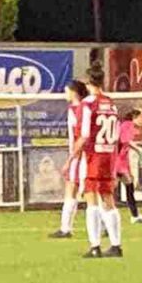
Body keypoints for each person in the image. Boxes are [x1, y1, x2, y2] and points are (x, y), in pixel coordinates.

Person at [77, 64, 123, 259]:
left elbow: (85, 134)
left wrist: (72, 156)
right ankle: (116, 245)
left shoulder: (87, 104)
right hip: (109, 155)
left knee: (91, 200)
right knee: (108, 199)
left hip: (93, 156)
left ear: (88, 83)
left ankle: (95, 246)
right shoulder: (111, 103)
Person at [50, 79, 89, 239]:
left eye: (67, 91)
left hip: (80, 156)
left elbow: (81, 136)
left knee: (74, 190)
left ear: (74, 92)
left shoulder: (77, 110)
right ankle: (103, 226)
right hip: (84, 155)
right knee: (90, 192)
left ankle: (65, 229)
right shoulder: (83, 108)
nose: (65, 94)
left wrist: (70, 159)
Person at [116, 109, 142, 224]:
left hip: (121, 161)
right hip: (116, 161)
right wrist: (138, 149)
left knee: (129, 184)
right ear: (135, 117)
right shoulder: (128, 125)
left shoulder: (126, 125)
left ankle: (134, 215)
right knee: (116, 188)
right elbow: (124, 141)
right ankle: (107, 217)